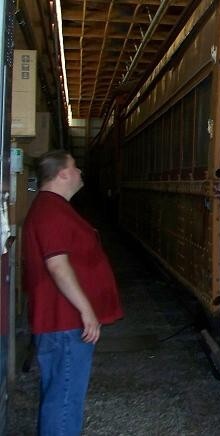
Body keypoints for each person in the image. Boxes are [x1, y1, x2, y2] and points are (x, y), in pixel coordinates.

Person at [22, 150, 123, 435]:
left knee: (59, 395)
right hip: (65, 323)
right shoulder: (51, 211)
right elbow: (57, 265)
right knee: (65, 399)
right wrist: (86, 310)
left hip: (61, 322)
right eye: (75, 167)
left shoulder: (51, 207)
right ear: (62, 174)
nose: (80, 172)